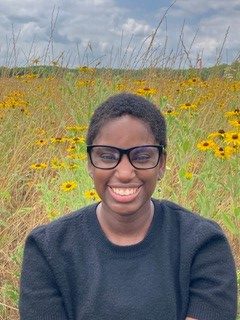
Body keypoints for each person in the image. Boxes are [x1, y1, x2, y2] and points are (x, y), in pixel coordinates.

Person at [19, 93, 237, 320]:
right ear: (90, 163)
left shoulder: (202, 244)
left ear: (161, 164)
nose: (124, 173)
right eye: (107, 156)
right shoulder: (48, 249)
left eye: (142, 156)